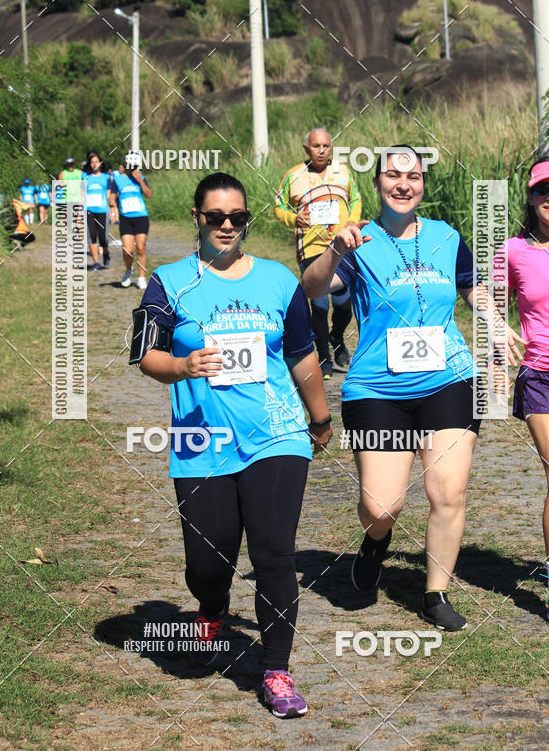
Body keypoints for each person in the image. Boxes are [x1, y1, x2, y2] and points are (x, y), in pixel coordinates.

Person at [133, 172, 332, 717]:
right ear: (197, 218)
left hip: (276, 435)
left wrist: (319, 416)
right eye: (215, 217)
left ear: (247, 220)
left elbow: (301, 355)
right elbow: (144, 355)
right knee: (208, 561)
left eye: (237, 218)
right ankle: (211, 609)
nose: (227, 226)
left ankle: (276, 670)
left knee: (274, 554)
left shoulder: (277, 280)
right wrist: (181, 364)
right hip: (201, 440)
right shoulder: (168, 282)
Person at [302, 147, 523, 631]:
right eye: (394, 175)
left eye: (414, 176)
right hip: (377, 389)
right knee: (383, 506)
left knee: (448, 491)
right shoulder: (358, 241)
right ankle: (376, 541)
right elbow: (313, 290)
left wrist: (493, 320)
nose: (404, 184)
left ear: (423, 183)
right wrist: (336, 249)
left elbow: (471, 287)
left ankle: (435, 593)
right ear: (377, 182)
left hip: (449, 379)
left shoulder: (447, 236)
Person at [500, 156, 549, 629]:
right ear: (529, 198)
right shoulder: (513, 250)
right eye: (540, 190)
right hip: (544, 377)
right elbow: (487, 298)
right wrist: (495, 323)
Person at [275, 128, 361, 379]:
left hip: (340, 244)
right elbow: (278, 207)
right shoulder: (293, 175)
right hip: (311, 247)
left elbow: (356, 199)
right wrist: (293, 218)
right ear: (306, 149)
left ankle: (337, 337)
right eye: (316, 146)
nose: (322, 150)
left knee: (345, 304)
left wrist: (352, 223)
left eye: (326, 146)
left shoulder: (343, 171)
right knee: (320, 303)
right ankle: (323, 356)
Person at [109, 151, 151, 289]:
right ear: (126, 164)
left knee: (140, 248)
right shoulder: (118, 179)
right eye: (130, 165)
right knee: (128, 250)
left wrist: (139, 180)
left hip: (141, 217)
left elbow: (149, 194)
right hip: (126, 218)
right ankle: (128, 271)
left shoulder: (141, 177)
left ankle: (141, 278)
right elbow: (113, 196)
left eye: (135, 165)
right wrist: (111, 201)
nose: (132, 168)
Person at [83, 152, 111, 271]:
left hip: (103, 210)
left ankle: (105, 252)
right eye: (92, 162)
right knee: (91, 236)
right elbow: (82, 194)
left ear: (100, 163)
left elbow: (109, 194)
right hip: (89, 210)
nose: (94, 164)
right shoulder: (85, 176)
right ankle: (96, 262)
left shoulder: (106, 177)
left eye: (96, 162)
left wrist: (111, 207)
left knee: (103, 237)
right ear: (90, 164)